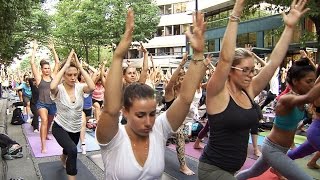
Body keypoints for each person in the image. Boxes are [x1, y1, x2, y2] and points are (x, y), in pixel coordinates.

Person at [198, 0, 309, 179]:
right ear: (231, 71)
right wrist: (236, 12)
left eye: (253, 70)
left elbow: (273, 62)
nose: (251, 75)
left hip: (232, 170)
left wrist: (289, 28)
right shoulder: (217, 92)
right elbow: (225, 59)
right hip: (212, 169)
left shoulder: (248, 91)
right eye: (246, 70)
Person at [96, 9, 208, 179]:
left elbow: (185, 99)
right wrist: (118, 56)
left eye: (152, 114)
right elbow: (110, 110)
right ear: (125, 111)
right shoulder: (113, 138)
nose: (148, 122)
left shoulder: (159, 129)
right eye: (140, 115)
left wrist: (198, 54)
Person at [50, 50, 95, 180]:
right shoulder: (59, 89)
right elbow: (52, 85)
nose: (73, 77)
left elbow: (91, 87)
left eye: (75, 75)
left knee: (68, 149)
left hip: (75, 127)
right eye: (69, 75)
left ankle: (62, 157)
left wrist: (80, 66)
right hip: (60, 127)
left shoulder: (80, 88)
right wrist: (65, 65)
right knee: (73, 150)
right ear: (63, 75)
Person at [30, 41, 60, 153]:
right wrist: (34, 49)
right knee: (44, 120)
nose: (47, 70)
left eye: (48, 68)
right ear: (41, 69)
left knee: (49, 122)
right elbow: (32, 63)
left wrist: (53, 49)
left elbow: (57, 62)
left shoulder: (53, 76)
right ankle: (43, 146)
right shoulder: (38, 78)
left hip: (52, 104)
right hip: (41, 103)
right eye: (45, 68)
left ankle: (46, 134)